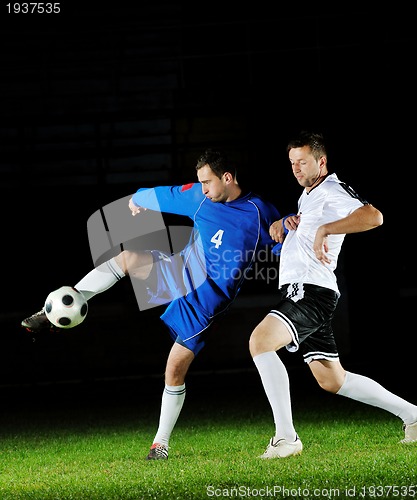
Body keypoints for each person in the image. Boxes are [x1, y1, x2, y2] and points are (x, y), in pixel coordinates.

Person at [22, 148, 282, 460]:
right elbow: (166, 194)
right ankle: (65, 304)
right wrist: (138, 198)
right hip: (179, 272)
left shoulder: (259, 211)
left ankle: (160, 444)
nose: (202, 189)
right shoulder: (200, 198)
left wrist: (292, 245)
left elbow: (281, 245)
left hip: (204, 303)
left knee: (174, 370)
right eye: (199, 183)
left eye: (208, 182)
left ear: (227, 178)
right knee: (128, 257)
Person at [249, 131, 417, 459]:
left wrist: (326, 229)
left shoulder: (331, 189)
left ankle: (286, 439)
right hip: (311, 290)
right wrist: (287, 223)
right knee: (331, 379)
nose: (296, 168)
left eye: (303, 162)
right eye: (292, 163)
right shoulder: (310, 196)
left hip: (309, 291)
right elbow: (310, 227)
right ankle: (414, 415)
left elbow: (373, 216)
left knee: (260, 341)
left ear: (321, 162)